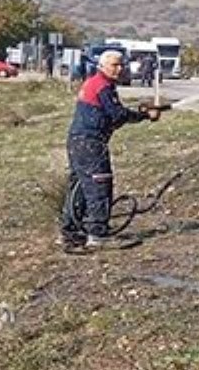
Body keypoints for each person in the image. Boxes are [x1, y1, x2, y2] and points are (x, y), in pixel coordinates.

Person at [62, 50, 160, 252]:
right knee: (99, 186)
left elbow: (109, 113)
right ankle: (97, 235)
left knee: (79, 187)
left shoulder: (94, 83)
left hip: (77, 141)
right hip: (91, 144)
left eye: (122, 64)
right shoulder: (103, 86)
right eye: (115, 65)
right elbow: (117, 115)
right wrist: (144, 116)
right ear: (102, 66)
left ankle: (71, 233)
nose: (120, 69)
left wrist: (139, 112)